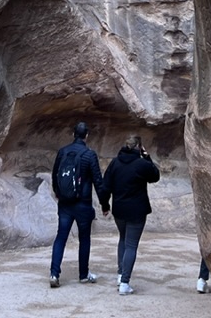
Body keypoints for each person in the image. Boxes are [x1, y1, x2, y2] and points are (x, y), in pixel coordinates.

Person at [49, 120, 110, 287]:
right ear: (86, 136)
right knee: (84, 239)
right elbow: (98, 181)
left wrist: (58, 193)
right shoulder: (89, 155)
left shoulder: (63, 152)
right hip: (83, 203)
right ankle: (83, 275)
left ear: (73, 134)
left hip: (65, 203)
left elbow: (55, 175)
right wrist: (105, 204)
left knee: (61, 237)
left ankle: (54, 274)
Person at [102, 134, 160, 295]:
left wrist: (105, 205)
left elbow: (105, 186)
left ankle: (121, 275)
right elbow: (155, 176)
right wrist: (147, 157)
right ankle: (125, 282)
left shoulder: (115, 163)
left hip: (119, 209)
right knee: (131, 245)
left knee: (123, 239)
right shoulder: (142, 164)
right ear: (139, 147)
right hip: (137, 211)